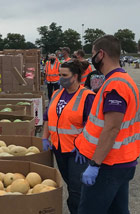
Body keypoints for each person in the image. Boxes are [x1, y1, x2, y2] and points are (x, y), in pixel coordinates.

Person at [74, 35, 140, 214]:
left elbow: (112, 128)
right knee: (118, 210)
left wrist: (94, 164)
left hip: (108, 164)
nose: (91, 59)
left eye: (93, 54)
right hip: (123, 161)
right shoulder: (123, 80)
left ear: (101, 54)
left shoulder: (115, 85)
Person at [42, 60, 95, 214]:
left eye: (64, 75)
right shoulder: (56, 93)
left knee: (76, 190)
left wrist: (83, 147)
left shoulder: (87, 97)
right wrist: (45, 138)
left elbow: (91, 127)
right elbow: (48, 118)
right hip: (59, 149)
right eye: (59, 74)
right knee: (70, 185)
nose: (60, 78)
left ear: (75, 76)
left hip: (77, 152)